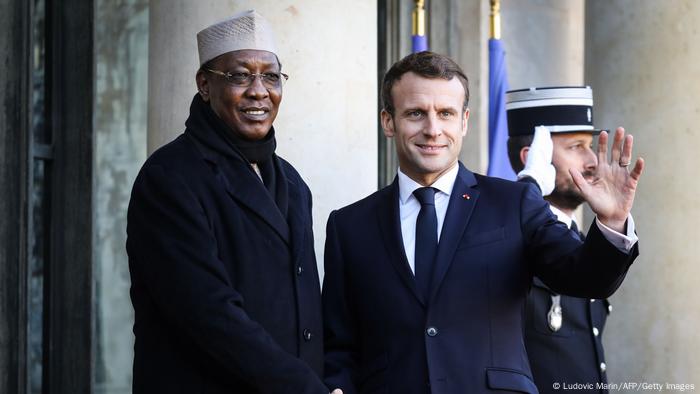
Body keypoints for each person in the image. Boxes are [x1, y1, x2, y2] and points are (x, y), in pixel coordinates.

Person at [322, 51, 643, 394]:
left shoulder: (514, 203)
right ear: (389, 122)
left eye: (445, 114)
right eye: (416, 113)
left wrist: (612, 220)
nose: (432, 130)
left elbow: (583, 275)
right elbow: (339, 345)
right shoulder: (350, 226)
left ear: (463, 122)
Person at [126, 10, 340, 394]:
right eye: (240, 75)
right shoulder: (170, 178)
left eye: (271, 76)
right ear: (205, 85)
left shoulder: (292, 181)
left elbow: (306, 313)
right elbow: (208, 314)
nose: (259, 90)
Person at [506, 86, 626, 393]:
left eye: (590, 146)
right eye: (576, 147)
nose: (593, 161)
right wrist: (528, 189)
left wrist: (614, 221)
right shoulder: (506, 238)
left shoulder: (578, 238)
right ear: (532, 157)